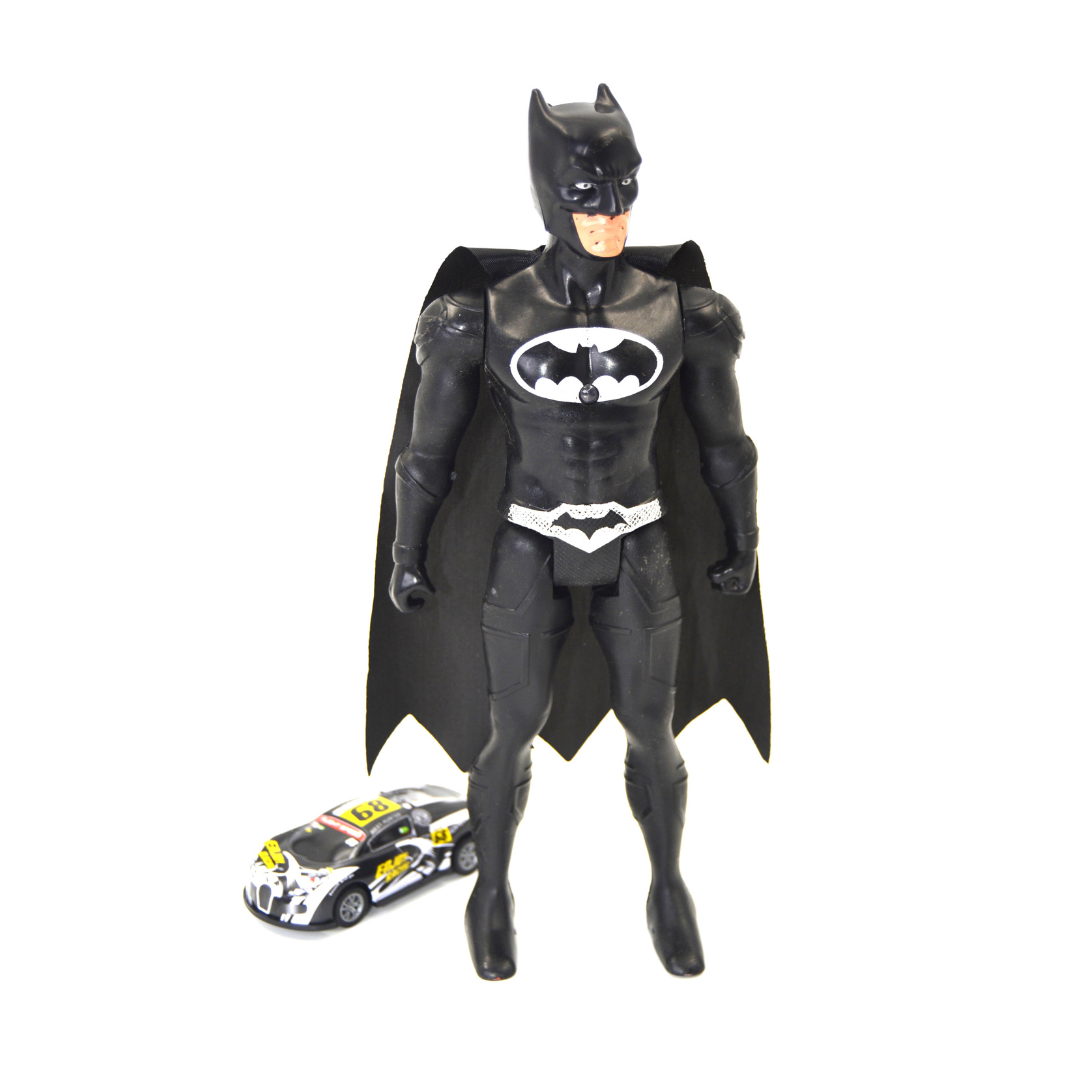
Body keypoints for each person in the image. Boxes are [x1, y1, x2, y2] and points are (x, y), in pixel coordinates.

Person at [373, 85, 767, 979]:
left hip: (638, 537)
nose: (613, 213)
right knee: (507, 728)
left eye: (626, 189)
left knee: (652, 723)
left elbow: (726, 446)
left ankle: (667, 884)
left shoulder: (681, 314)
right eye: (590, 195)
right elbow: (426, 454)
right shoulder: (484, 316)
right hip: (528, 536)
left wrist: (744, 537)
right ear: (549, 195)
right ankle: (491, 889)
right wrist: (408, 550)